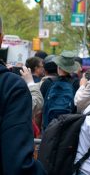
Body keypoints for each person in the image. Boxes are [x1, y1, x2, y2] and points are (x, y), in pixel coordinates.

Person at [0, 15, 46, 174]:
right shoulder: (11, 87)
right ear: (1, 39)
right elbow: (17, 164)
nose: (42, 69)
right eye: (41, 66)